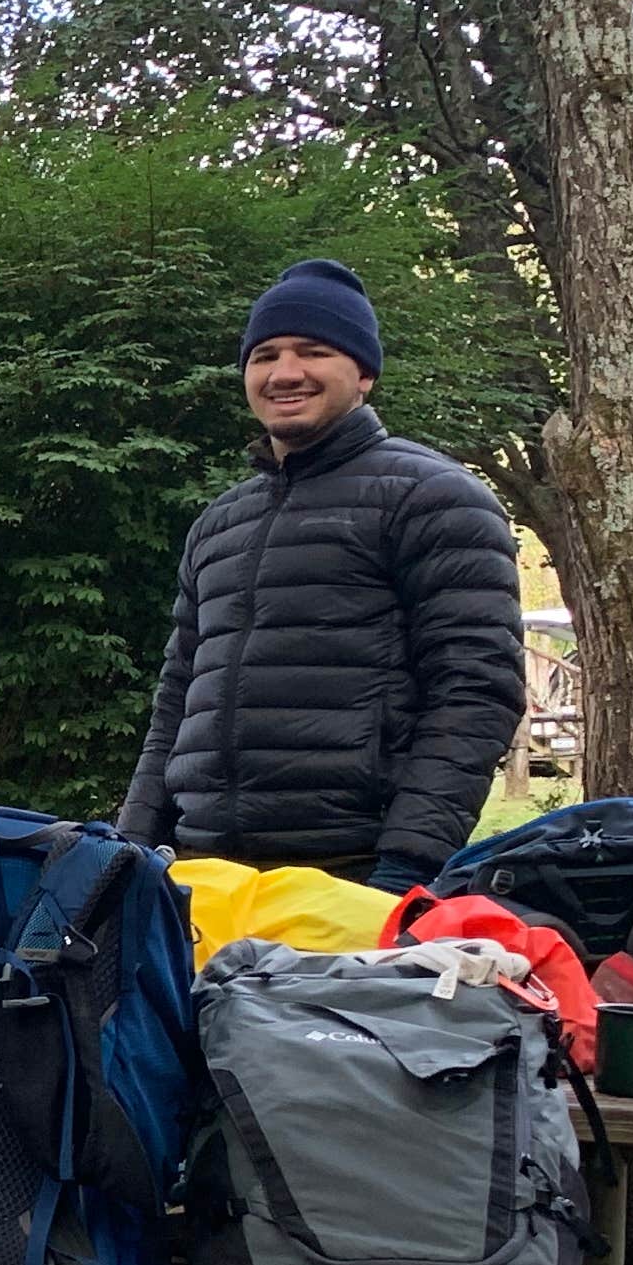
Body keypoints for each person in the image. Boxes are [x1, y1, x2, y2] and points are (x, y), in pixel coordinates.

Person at [116, 259, 525, 889]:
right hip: (201, 874)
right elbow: (176, 700)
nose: (284, 373)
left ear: (363, 373)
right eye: (265, 355)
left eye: (313, 351)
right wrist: (130, 851)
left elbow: (475, 691)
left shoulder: (435, 496)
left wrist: (406, 865)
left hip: (351, 871)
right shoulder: (221, 522)